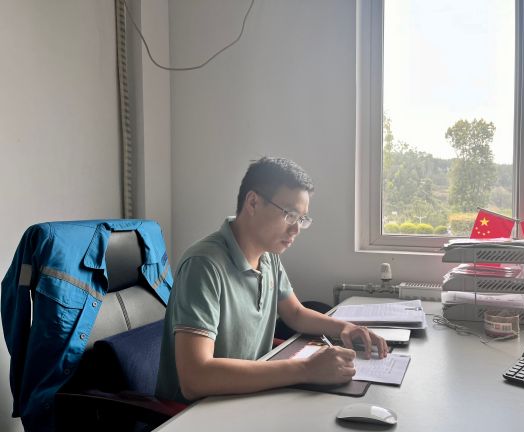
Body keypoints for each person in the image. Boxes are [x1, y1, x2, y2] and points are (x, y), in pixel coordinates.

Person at [156, 157, 388, 403]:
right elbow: (195, 378)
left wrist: (345, 328)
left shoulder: (268, 257)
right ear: (253, 202)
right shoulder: (204, 265)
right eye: (290, 215)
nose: (296, 229)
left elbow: (295, 313)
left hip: (248, 395)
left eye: (301, 219)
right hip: (198, 413)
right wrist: (306, 369)